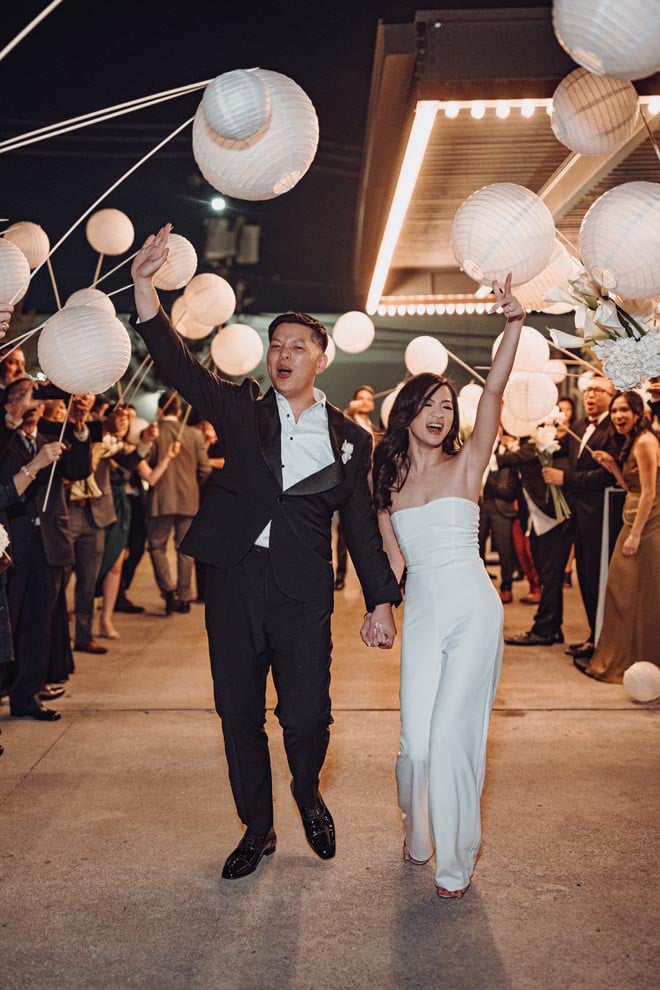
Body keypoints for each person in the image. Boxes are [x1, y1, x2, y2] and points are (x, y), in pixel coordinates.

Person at [130, 225, 401, 880]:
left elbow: (362, 528)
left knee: (307, 717)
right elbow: (178, 367)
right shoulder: (241, 408)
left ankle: (307, 793)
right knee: (239, 713)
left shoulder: (350, 441)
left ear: (321, 358)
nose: (283, 355)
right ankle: (258, 827)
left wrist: (383, 601)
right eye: (276, 345)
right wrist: (143, 287)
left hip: (303, 589)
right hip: (233, 580)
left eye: (297, 347)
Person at [371, 275, 524, 899]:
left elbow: (491, 392)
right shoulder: (387, 484)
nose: (440, 415)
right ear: (407, 413)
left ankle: (455, 863)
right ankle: (419, 826)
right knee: (416, 746)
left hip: (475, 609)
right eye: (429, 405)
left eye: (446, 407)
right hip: (427, 613)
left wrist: (512, 325)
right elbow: (391, 562)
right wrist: (380, 609)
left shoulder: (469, 464)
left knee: (454, 734)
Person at [576, 391, 660, 682]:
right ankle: (624, 658)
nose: (618, 416)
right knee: (622, 592)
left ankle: (639, 659)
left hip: (647, 526)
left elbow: (650, 492)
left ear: (638, 414)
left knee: (641, 595)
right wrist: (612, 466)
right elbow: (632, 488)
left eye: (624, 410)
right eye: (614, 412)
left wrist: (635, 535)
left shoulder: (647, 442)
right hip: (632, 518)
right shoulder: (632, 443)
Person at [542, 375, 621, 662]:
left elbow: (607, 475)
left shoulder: (614, 429)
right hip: (577, 516)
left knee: (600, 577)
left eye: (599, 390)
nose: (591, 395)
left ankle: (604, 638)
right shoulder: (576, 427)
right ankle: (593, 634)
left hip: (602, 516)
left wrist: (567, 478)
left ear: (612, 396)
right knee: (586, 578)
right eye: (588, 390)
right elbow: (565, 455)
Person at [146, 391, 211, 614]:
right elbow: (205, 469)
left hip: (160, 498)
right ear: (180, 411)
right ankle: (184, 595)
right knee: (185, 549)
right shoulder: (194, 436)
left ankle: (168, 590)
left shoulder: (153, 433)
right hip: (188, 498)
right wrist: (193, 484)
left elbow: (144, 463)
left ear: (160, 410)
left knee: (156, 546)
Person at [335, 385, 377, 590]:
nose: (365, 402)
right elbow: (344, 417)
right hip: (351, 484)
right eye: (361, 398)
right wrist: (351, 409)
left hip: (371, 485)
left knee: (370, 534)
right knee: (344, 532)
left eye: (368, 399)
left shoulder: (374, 427)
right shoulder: (349, 422)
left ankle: (369, 577)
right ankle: (340, 575)